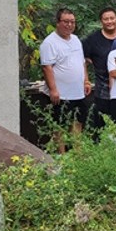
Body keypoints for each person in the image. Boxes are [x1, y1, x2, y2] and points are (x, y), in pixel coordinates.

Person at [39, 8, 92, 152]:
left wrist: (86, 81)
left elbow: (82, 63)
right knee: (59, 125)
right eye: (66, 22)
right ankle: (61, 157)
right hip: (61, 94)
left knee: (77, 122)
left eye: (72, 22)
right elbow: (47, 67)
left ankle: (77, 153)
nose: (69, 25)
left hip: (78, 92)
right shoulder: (49, 43)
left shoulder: (75, 40)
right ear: (58, 22)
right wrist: (53, 89)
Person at [82, 5, 116, 124]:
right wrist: (86, 80)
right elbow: (82, 60)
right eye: (106, 19)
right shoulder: (93, 39)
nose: (109, 21)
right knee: (102, 123)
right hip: (103, 89)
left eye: (112, 18)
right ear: (101, 22)